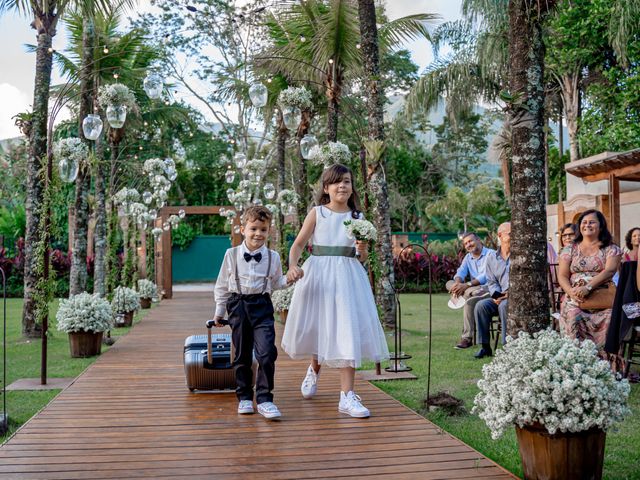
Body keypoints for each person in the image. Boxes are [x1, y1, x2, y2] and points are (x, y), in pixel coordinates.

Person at [282, 164, 389, 418]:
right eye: (337, 182)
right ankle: (313, 370)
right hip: (319, 275)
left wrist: (362, 250)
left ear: (352, 188)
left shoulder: (358, 218)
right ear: (326, 187)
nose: (342, 186)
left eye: (347, 182)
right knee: (321, 326)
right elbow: (298, 244)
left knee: (345, 329)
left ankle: (346, 396)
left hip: (348, 277)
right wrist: (293, 265)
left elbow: (360, 257)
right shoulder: (318, 213)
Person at [213, 205, 291, 420]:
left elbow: (276, 283)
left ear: (269, 231)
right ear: (242, 229)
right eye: (254, 229)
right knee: (241, 354)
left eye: (263, 230)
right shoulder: (231, 255)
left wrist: (290, 279)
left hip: (262, 306)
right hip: (237, 305)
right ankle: (245, 397)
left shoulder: (273, 257)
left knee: (267, 353)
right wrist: (219, 311)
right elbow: (221, 285)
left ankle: (265, 399)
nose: (258, 234)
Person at [557, 209, 621, 352]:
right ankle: (575, 360)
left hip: (602, 296)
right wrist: (571, 292)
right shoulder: (570, 249)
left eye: (592, 222)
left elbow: (610, 270)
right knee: (573, 314)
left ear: (601, 226)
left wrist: (588, 288)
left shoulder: (611, 249)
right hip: (575, 296)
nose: (587, 225)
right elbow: (562, 276)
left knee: (611, 317)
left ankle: (605, 364)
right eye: (584, 222)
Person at [445, 232, 494, 349]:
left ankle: (467, 338)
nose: (468, 245)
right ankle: (468, 292)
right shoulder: (468, 258)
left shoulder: (491, 254)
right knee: (449, 284)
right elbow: (460, 272)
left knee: (468, 299)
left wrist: (466, 285)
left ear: (478, 240)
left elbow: (486, 276)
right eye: (466, 243)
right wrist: (457, 284)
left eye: (470, 241)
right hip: (474, 289)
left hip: (488, 287)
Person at [473, 222, 511, 359]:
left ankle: (507, 347)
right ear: (500, 235)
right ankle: (485, 347)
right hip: (500, 296)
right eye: (510, 234)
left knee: (504, 305)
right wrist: (496, 295)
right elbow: (491, 281)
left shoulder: (519, 256)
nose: (514, 236)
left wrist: (509, 294)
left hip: (516, 297)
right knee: (480, 306)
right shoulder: (491, 258)